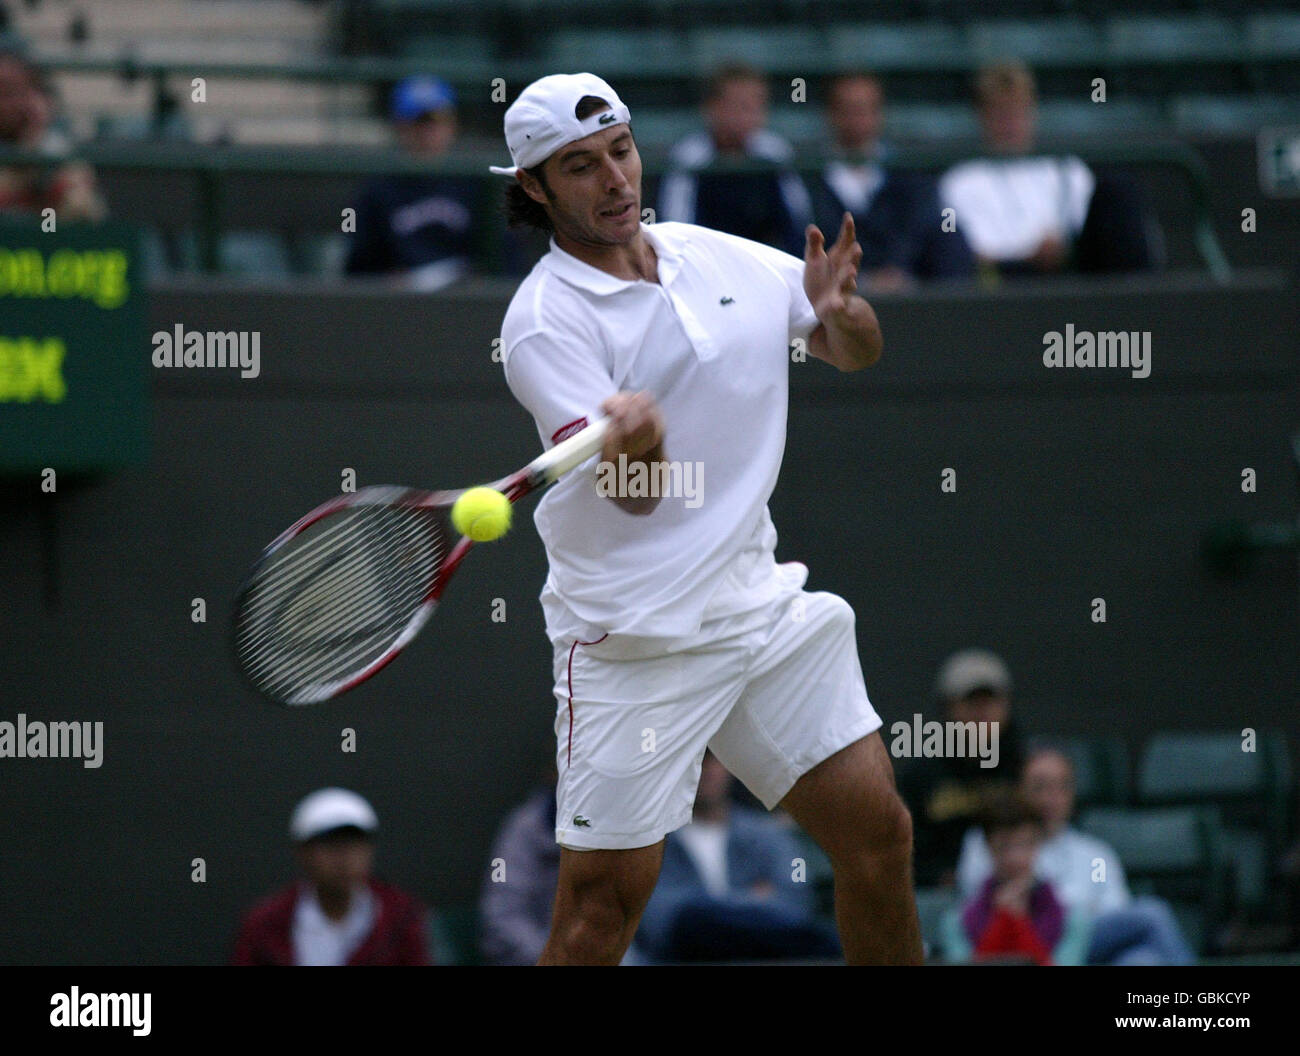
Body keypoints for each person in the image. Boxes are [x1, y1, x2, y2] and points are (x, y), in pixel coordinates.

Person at [491, 71, 920, 966]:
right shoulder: (542, 322)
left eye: (621, 150)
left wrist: (843, 317)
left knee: (879, 836)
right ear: (534, 188)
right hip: (633, 642)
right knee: (599, 912)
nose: (615, 180)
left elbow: (852, 350)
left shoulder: (712, 254)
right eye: (580, 167)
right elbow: (637, 497)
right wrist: (638, 444)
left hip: (755, 608)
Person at [956, 745, 1195, 965]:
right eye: (1040, 786)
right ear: (1021, 789)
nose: (1051, 797)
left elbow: (1113, 907)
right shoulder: (985, 842)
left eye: (1062, 786)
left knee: (1142, 960)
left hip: (1086, 940)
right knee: (1152, 914)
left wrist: (1069, 909)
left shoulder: (1095, 856)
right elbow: (977, 899)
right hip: (1032, 939)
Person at [939, 60, 1157, 277]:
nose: (1010, 123)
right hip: (1004, 279)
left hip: (1071, 273)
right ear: (981, 116)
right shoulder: (960, 181)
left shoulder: (1065, 168)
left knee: (1118, 192)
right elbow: (965, 253)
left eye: (1018, 111)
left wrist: (1062, 248)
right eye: (1000, 113)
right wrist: (1029, 255)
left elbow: (1090, 234)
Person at [637, 752, 840, 962]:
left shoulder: (769, 834)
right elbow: (661, 918)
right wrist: (750, 899)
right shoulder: (653, 843)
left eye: (711, 760)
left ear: (729, 766)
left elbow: (794, 900)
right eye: (692, 760)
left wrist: (710, 908)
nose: (704, 770)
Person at [811, 72, 973, 292]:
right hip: (835, 292)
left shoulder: (908, 173)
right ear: (831, 114)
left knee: (951, 234)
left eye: (866, 108)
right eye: (849, 109)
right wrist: (864, 279)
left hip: (908, 288)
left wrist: (897, 269)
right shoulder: (809, 179)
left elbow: (920, 227)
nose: (858, 118)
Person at [231, 787, 430, 965]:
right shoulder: (264, 923)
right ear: (303, 853)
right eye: (331, 846)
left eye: (354, 845)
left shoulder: (402, 917)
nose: (344, 859)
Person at [897, 648, 1027, 887]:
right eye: (972, 703)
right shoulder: (920, 775)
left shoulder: (1027, 766)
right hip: (943, 897)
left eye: (990, 702)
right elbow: (903, 852)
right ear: (948, 708)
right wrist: (940, 877)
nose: (982, 713)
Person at [656, 63, 813, 257]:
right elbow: (676, 227)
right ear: (711, 108)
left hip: (765, 261)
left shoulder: (775, 153)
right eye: (737, 106)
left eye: (755, 106)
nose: (746, 115)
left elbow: (797, 224)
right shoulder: (689, 158)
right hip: (705, 261)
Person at [344, 74, 477, 289]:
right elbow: (358, 265)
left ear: (452, 126)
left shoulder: (474, 181)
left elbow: (504, 261)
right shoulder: (376, 188)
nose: (426, 133)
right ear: (399, 127)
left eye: (434, 122)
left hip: (464, 303)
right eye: (417, 123)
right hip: (398, 308)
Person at [940, 791, 1090, 965]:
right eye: (1004, 847)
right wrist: (1004, 920)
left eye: (1024, 845)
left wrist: (1016, 921)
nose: (1015, 859)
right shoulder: (956, 923)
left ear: (1038, 844)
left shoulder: (1073, 921)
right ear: (988, 848)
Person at [0, 49, 105, 221]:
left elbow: (82, 219)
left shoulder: (58, 153)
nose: (5, 105)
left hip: (42, 245)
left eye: (11, 92)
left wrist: (34, 144)